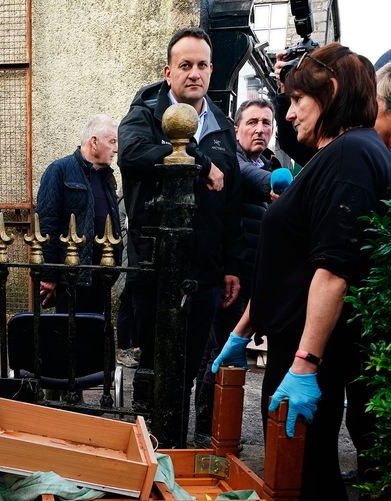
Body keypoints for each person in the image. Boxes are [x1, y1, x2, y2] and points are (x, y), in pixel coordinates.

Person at [211, 43, 391, 501]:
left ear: (333, 94)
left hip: (307, 355)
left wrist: (307, 362)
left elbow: (332, 268)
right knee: (302, 472)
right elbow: (285, 265)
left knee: (308, 475)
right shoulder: (336, 156)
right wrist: (243, 331)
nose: (288, 113)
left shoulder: (351, 156)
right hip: (290, 344)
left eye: (297, 99)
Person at [118, 27, 244, 446]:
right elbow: (134, 155)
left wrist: (231, 267)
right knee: (152, 367)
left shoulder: (223, 125)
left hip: (205, 271)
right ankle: (143, 448)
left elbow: (232, 205)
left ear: (211, 70)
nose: (195, 73)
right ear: (168, 71)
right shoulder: (144, 115)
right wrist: (199, 161)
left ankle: (172, 448)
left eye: (202, 65)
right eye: (185, 65)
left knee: (188, 369)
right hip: (154, 266)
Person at [194, 97, 279, 441]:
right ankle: (205, 429)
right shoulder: (234, 161)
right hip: (229, 275)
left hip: (255, 275)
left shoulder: (271, 162)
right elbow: (245, 175)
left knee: (234, 354)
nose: (260, 129)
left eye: (267, 123)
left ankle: (223, 429)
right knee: (216, 352)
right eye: (253, 122)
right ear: (237, 128)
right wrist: (272, 184)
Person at [37, 114, 121, 313]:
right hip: (71, 276)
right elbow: (46, 224)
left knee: (97, 332)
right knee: (70, 335)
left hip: (102, 274)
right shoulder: (60, 170)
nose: (116, 149)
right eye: (112, 142)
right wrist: (48, 275)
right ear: (94, 142)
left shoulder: (107, 177)